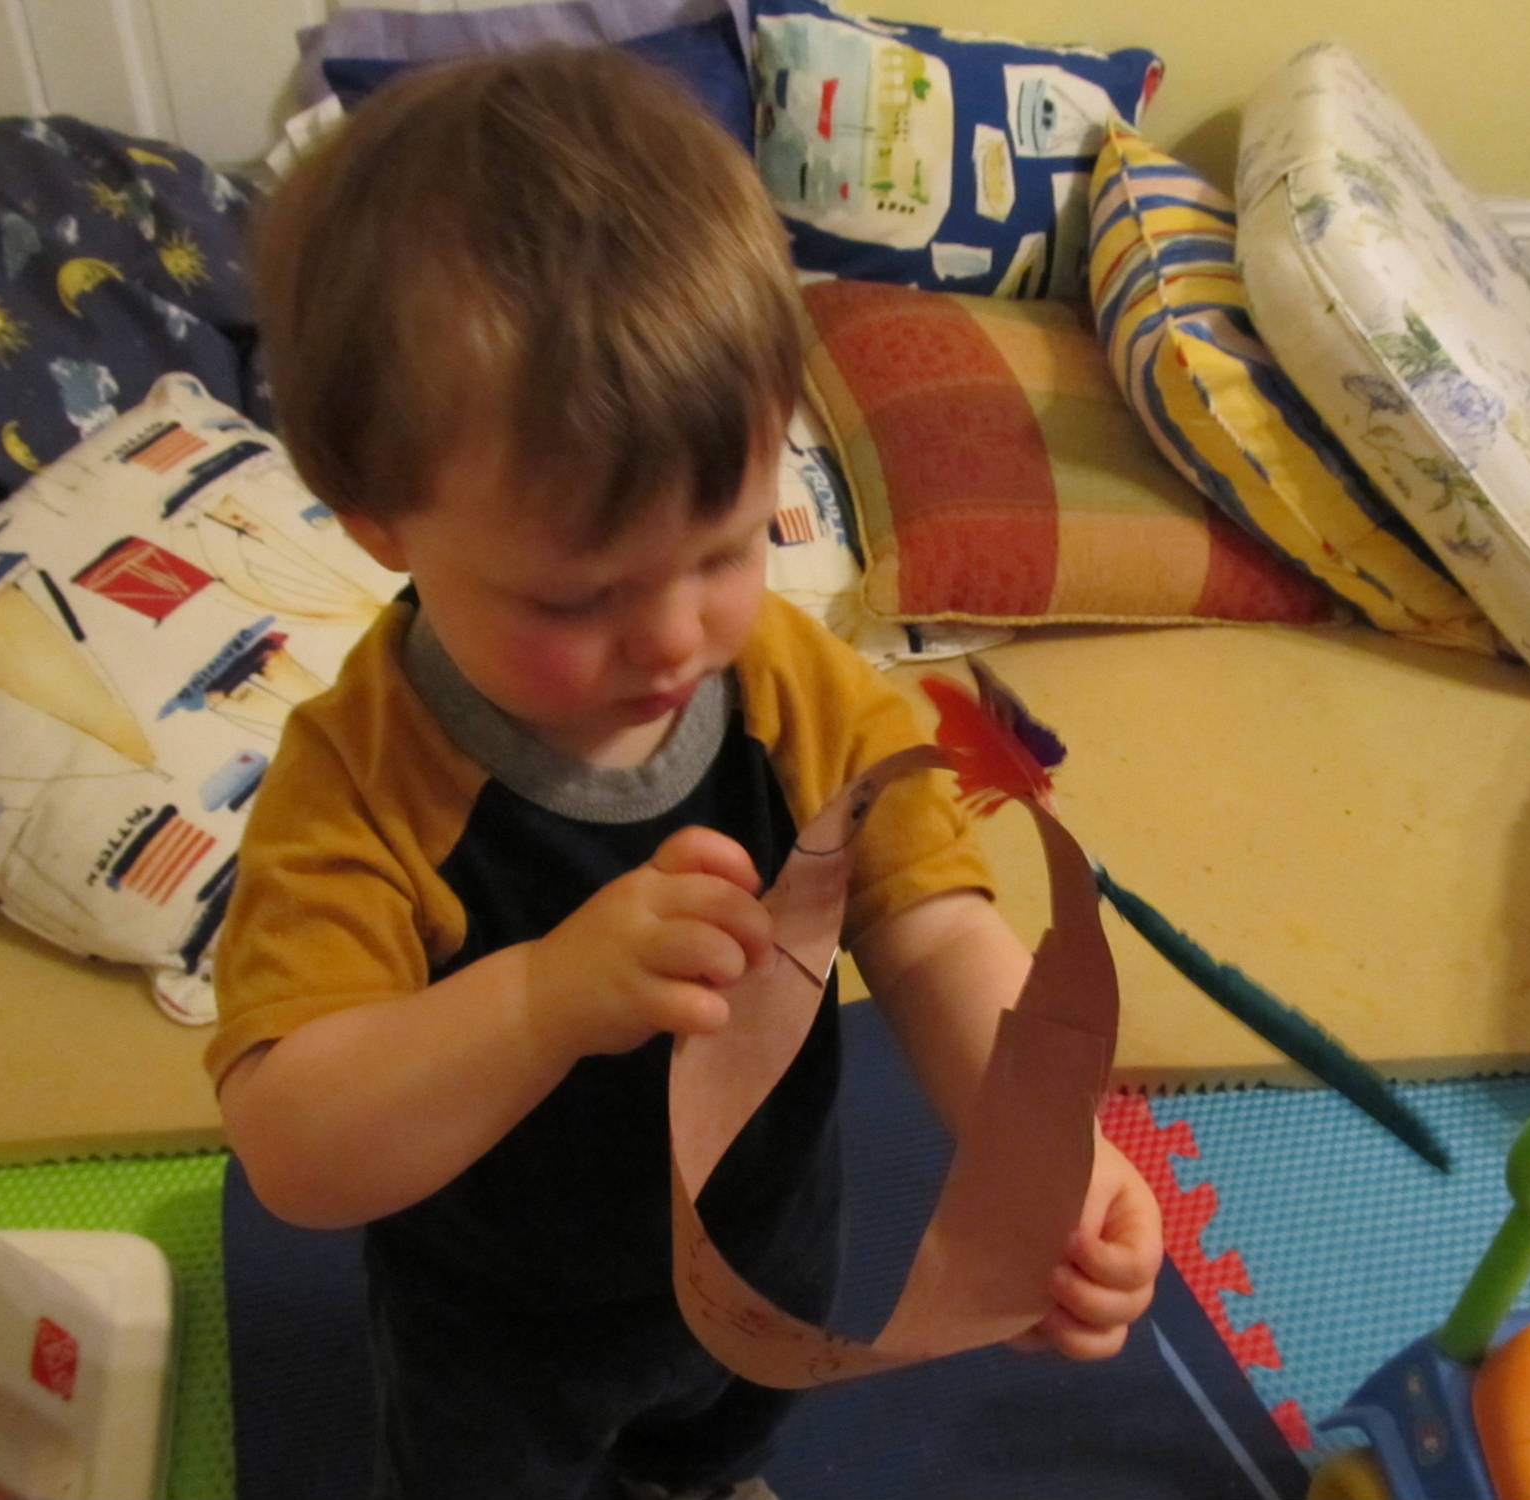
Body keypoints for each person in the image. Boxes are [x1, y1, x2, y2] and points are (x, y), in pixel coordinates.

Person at [206, 45, 1164, 1500]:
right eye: (579, 595)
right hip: (503, 1328)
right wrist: (541, 1000)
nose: (672, 638)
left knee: (715, 1448)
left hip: (766, 1251)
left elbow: (935, 933)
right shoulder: (362, 786)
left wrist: (1048, 1161)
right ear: (380, 519)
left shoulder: (791, 690)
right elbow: (296, 1151)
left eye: (725, 550)